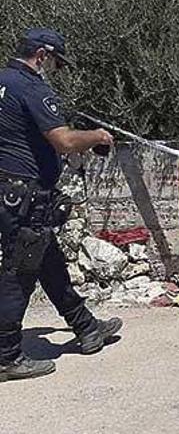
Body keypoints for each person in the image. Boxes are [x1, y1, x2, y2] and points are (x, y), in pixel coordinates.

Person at [0, 28, 122, 382]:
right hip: (25, 196)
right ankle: (7, 355)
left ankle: (87, 327)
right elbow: (64, 141)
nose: (53, 69)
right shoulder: (31, 87)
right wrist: (98, 136)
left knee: (48, 262)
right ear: (42, 54)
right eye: (54, 62)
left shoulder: (3, 81)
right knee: (19, 275)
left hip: (9, 193)